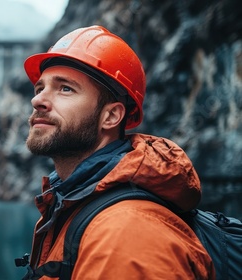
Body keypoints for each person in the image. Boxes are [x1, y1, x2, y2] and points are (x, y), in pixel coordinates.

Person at [22, 25, 215, 279]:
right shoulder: (69, 202)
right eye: (40, 88)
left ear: (111, 116)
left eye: (65, 88)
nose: (38, 100)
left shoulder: (127, 234)